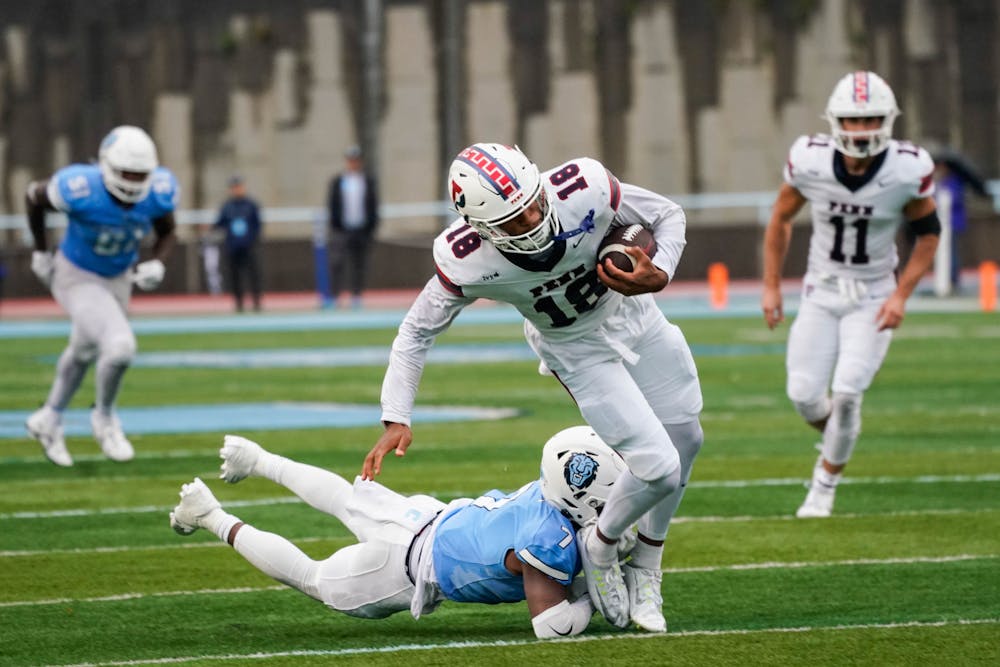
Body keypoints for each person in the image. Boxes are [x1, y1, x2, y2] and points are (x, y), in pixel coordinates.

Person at [361, 143, 705, 633]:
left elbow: (668, 215)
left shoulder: (583, 188)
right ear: (480, 229)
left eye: (534, 205)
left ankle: (646, 567)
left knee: (687, 438)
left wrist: (661, 271)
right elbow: (416, 331)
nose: (533, 221)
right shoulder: (467, 259)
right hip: (575, 348)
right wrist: (396, 414)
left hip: (635, 315)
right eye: (514, 221)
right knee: (660, 467)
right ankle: (601, 544)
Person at [170, 426, 629, 638]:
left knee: (344, 498)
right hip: (402, 568)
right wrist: (598, 592)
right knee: (313, 578)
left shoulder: (543, 494)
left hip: (423, 516)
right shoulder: (547, 538)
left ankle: (258, 459)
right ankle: (209, 515)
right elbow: (552, 626)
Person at [761, 71, 941, 518]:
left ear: (888, 120)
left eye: (871, 119)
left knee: (846, 394)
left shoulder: (906, 169)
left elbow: (929, 234)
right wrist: (771, 285)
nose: (861, 130)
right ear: (835, 121)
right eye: (853, 120)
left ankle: (823, 487)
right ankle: (840, 437)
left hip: (873, 295)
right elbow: (781, 218)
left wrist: (900, 296)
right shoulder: (811, 161)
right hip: (820, 291)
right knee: (804, 395)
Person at [25, 125, 179, 467]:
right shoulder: (80, 187)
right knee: (120, 347)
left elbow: (167, 231)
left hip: (118, 277)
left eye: (140, 174)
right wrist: (40, 251)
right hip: (76, 274)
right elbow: (34, 196)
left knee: (84, 350)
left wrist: (157, 261)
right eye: (127, 173)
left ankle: (49, 418)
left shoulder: (159, 190)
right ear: (107, 166)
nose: (133, 182)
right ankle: (105, 418)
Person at [327, 145, 379, 308]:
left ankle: (356, 295)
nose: (353, 163)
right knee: (337, 263)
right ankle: (335, 296)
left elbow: (373, 205)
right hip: (342, 229)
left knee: (358, 263)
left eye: (355, 160)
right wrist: (335, 225)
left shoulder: (367, 181)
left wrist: (370, 227)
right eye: (350, 160)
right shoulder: (338, 181)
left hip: (361, 229)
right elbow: (332, 205)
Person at [214, 175, 263, 312]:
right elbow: (220, 223)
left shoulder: (251, 205)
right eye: (234, 187)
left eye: (239, 186)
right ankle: (239, 303)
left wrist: (252, 240)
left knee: (254, 274)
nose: (237, 189)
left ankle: (256, 302)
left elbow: (257, 225)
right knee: (234, 276)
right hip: (232, 246)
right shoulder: (227, 206)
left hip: (249, 246)